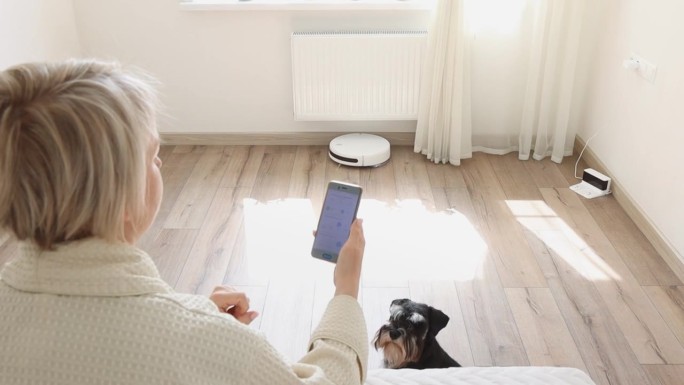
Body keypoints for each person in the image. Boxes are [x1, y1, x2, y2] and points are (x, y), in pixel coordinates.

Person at [0, 60, 368, 385]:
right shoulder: (213, 343)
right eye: (152, 155)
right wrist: (346, 290)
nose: (160, 165)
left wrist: (192, 317)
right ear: (123, 195)